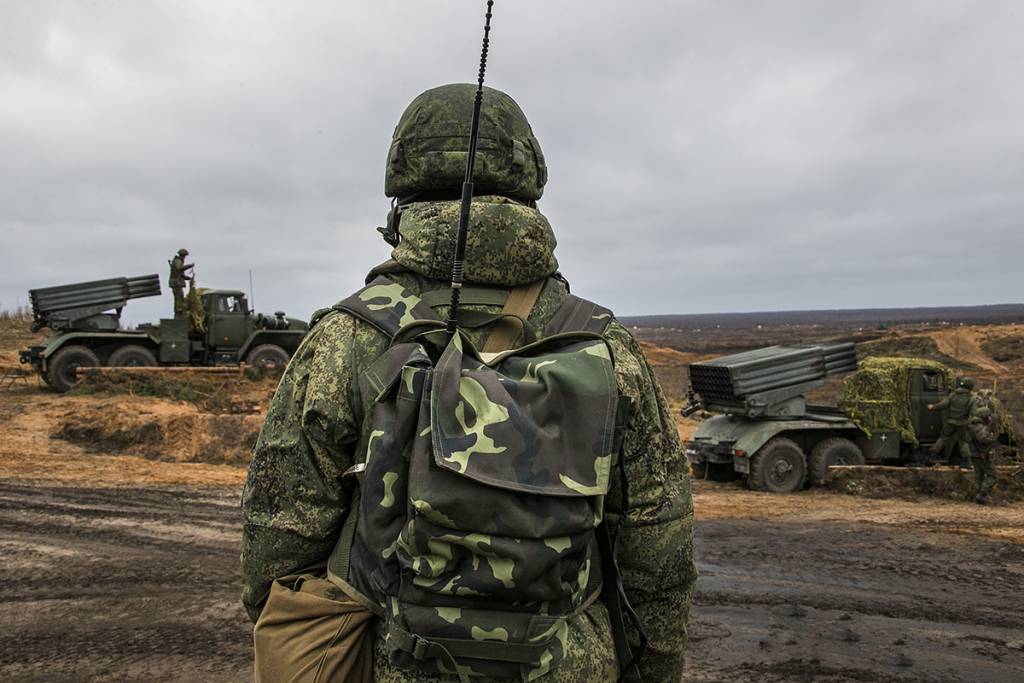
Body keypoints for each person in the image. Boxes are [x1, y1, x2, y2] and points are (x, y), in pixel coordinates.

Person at [241, 84, 697, 682]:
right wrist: (650, 671)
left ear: (401, 189)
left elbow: (279, 533)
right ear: (528, 184)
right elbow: (658, 551)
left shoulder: (345, 339)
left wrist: (289, 632)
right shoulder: (605, 347)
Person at [928, 376, 976, 465]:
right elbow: (974, 412)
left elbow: (943, 404)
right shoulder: (972, 398)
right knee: (963, 442)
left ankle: (932, 455)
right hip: (962, 424)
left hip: (950, 422)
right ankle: (967, 462)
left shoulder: (953, 394)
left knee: (943, 437)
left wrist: (933, 406)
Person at [966, 406, 999, 504]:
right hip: (981, 454)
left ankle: (975, 496)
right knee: (993, 476)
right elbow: (983, 439)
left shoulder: (972, 425)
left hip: (974, 454)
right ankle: (982, 494)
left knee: (979, 476)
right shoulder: (981, 428)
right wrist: (992, 438)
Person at [168, 248, 194, 318]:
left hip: (178, 282)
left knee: (181, 298)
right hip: (176, 283)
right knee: (178, 298)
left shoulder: (179, 261)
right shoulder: (178, 261)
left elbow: (180, 274)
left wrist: (188, 278)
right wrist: (189, 266)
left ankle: (180, 311)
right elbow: (179, 268)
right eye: (185, 256)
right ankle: (178, 311)